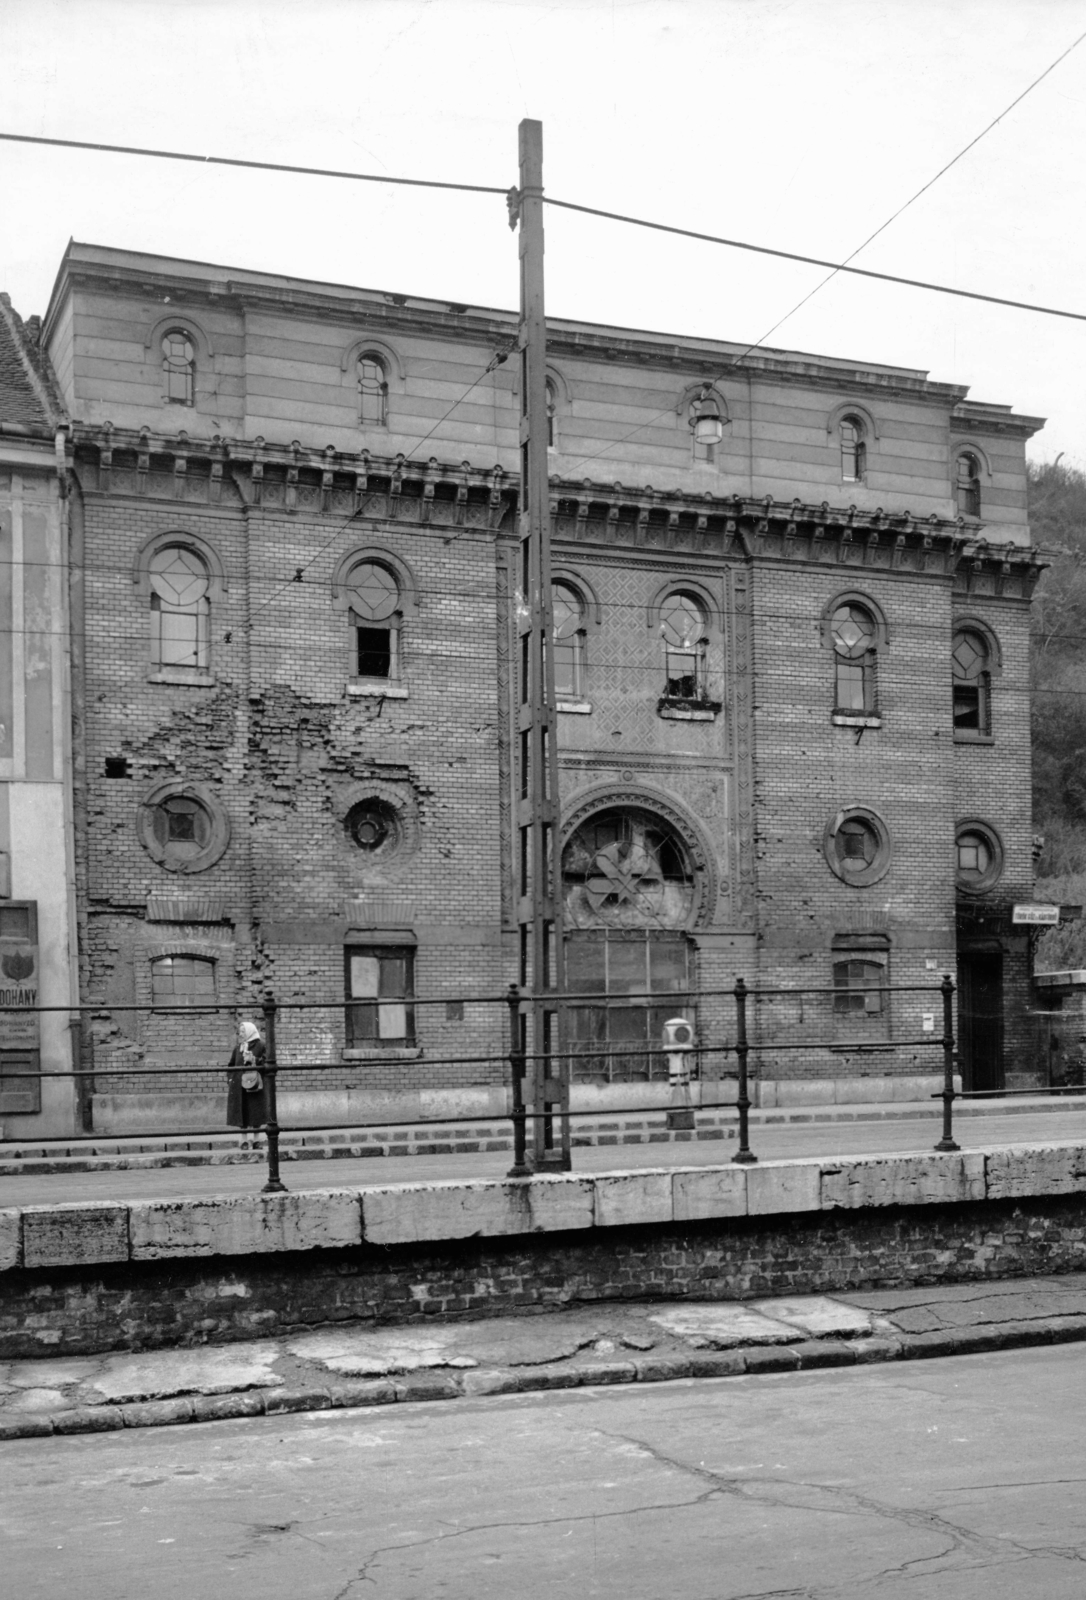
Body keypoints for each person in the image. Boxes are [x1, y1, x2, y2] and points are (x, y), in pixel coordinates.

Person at [226, 1018, 267, 1129]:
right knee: (241, 1115)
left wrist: (254, 1059)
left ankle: (256, 1140)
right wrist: (230, 1079)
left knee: (255, 1115)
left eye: (243, 1031)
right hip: (239, 1086)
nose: (240, 1034)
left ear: (250, 1031)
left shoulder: (261, 1045)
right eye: (240, 1031)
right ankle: (243, 1141)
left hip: (254, 1084)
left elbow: (267, 1063)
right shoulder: (238, 1047)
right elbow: (231, 1066)